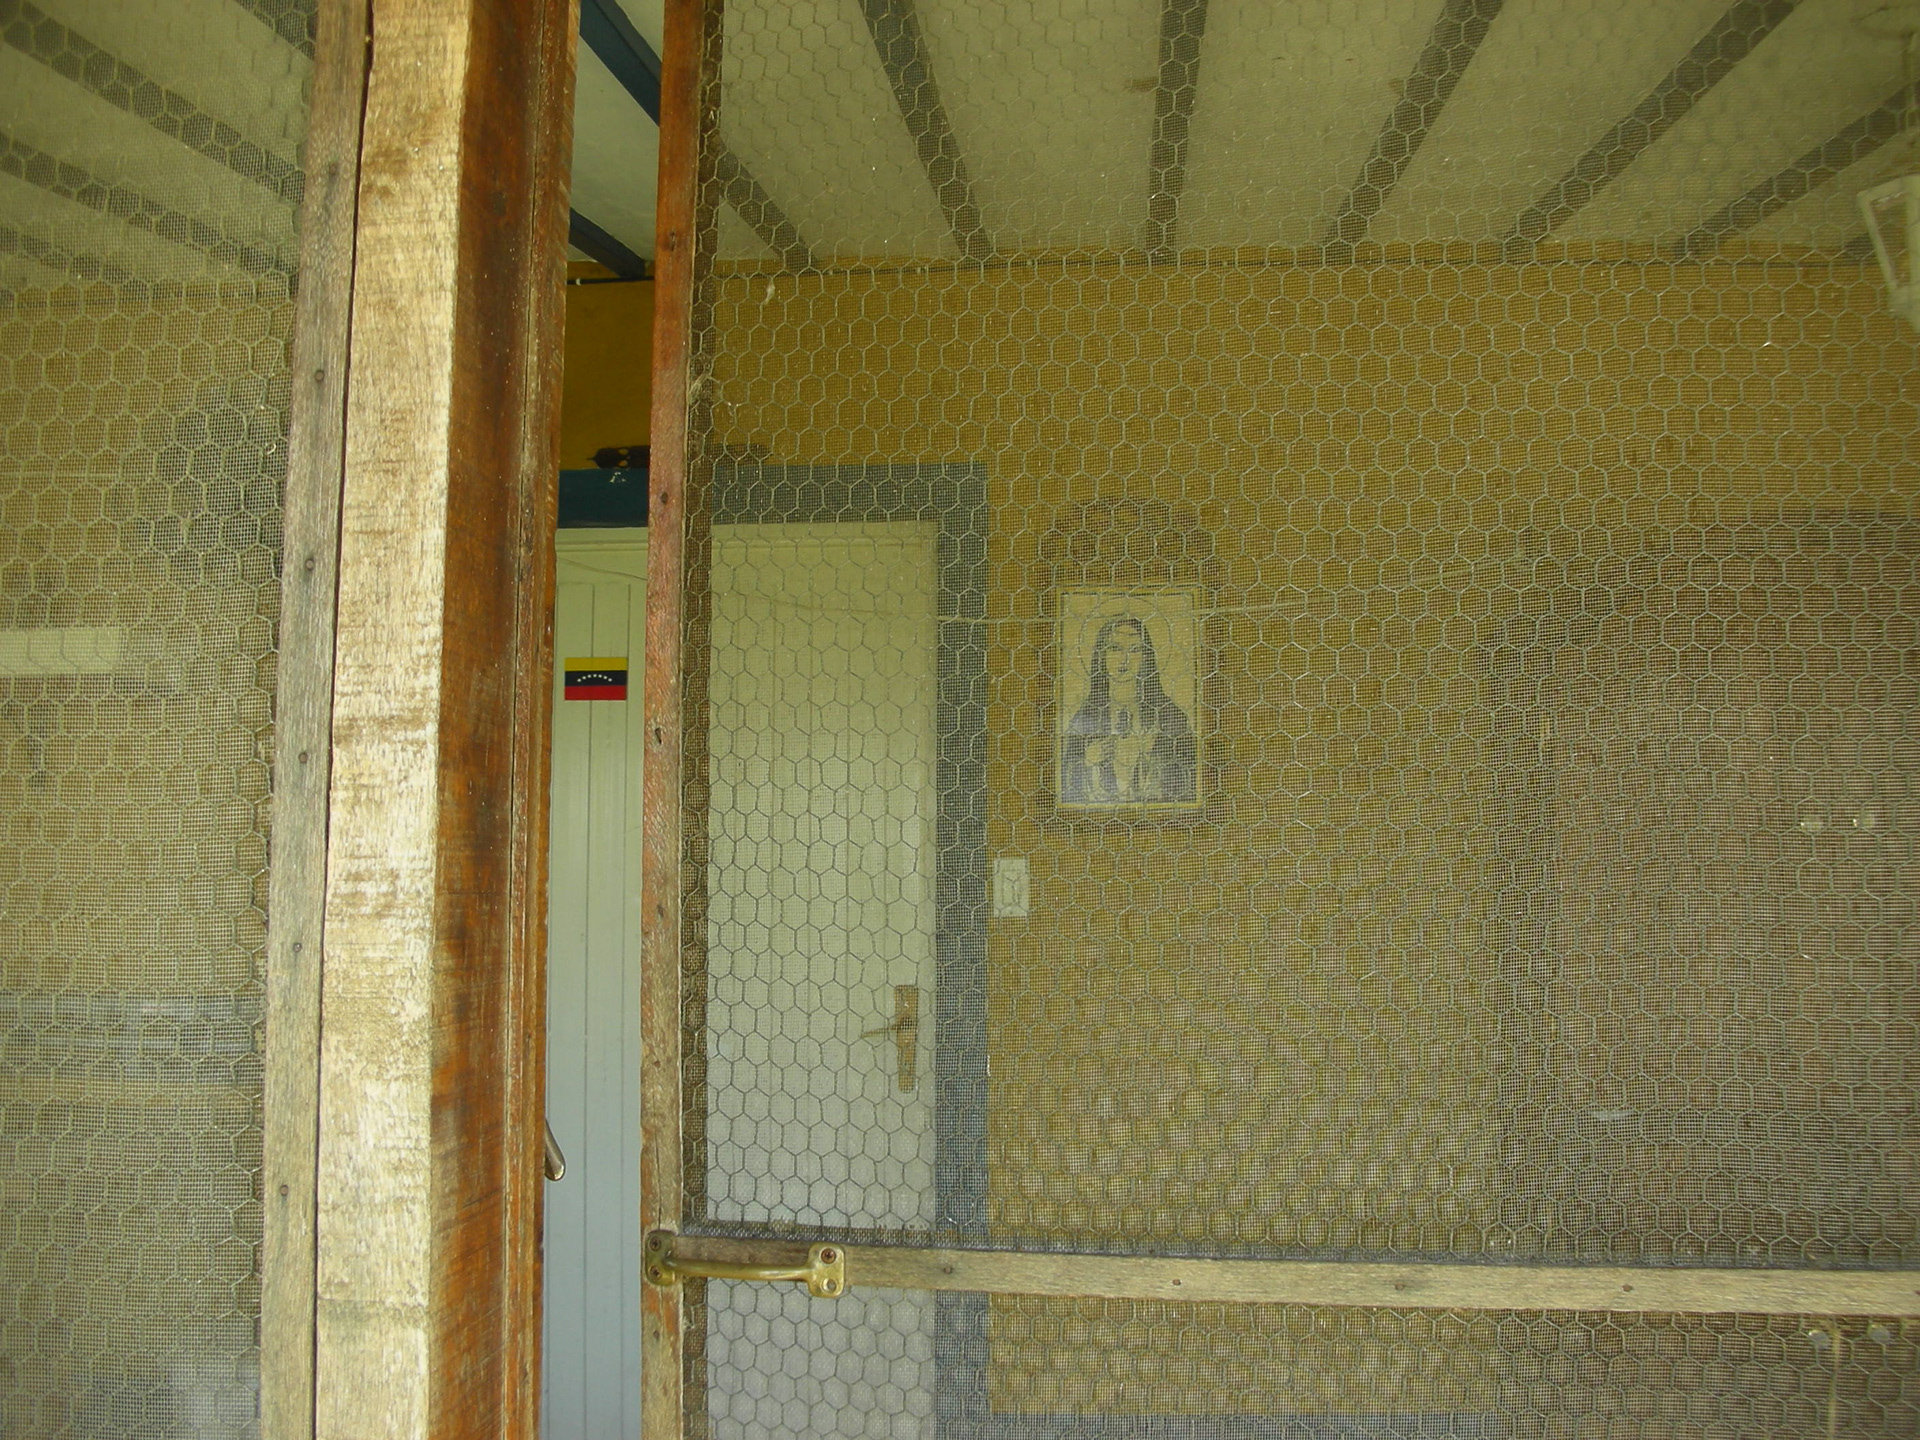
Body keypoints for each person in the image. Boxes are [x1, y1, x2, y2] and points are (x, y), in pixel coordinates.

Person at [1060, 615, 1196, 805]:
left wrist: (1153, 759)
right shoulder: (1085, 717)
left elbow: (1189, 778)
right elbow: (1065, 783)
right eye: (1115, 648)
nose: (1124, 659)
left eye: (1135, 650)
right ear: (1102, 655)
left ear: (1146, 657)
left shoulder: (1169, 716)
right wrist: (1087, 762)